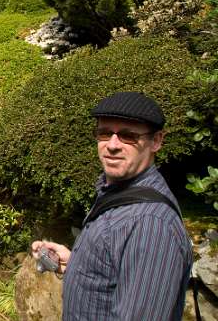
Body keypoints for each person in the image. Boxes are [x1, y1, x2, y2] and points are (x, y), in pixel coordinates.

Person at [31, 91, 192, 321]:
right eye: (105, 133)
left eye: (128, 136)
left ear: (156, 141)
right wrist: (75, 264)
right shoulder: (116, 194)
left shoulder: (150, 225)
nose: (112, 145)